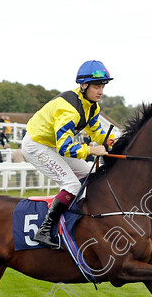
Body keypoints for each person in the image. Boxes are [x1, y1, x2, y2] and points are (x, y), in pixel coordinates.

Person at [21, 60, 112, 248]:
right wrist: (92, 149)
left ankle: (75, 220)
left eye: (102, 86)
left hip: (51, 144)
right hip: (36, 145)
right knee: (71, 184)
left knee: (88, 174)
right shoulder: (68, 108)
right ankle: (45, 230)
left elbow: (96, 131)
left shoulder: (92, 106)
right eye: (96, 86)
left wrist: (108, 141)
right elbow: (65, 148)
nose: (101, 91)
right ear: (84, 85)